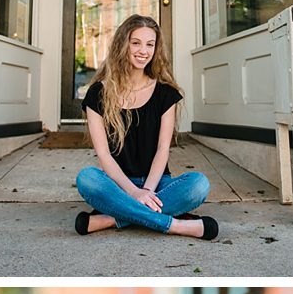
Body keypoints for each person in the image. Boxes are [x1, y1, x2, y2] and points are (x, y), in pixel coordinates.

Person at [75, 14, 219, 240]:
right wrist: (133, 191)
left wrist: (148, 191)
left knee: (199, 185)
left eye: (150, 44)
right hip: (118, 183)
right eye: (136, 43)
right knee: (87, 178)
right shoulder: (98, 94)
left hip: (158, 183)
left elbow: (163, 149)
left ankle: (114, 218)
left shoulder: (165, 93)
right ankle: (175, 225)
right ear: (123, 45)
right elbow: (103, 154)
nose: (144, 50)